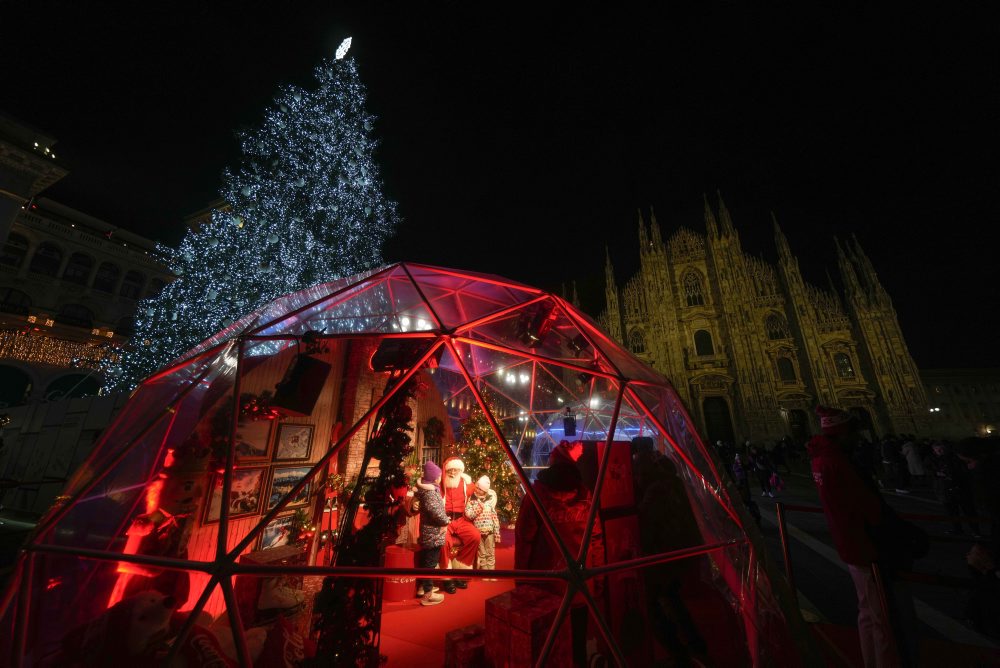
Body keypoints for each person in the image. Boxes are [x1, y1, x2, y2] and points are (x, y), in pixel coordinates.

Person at [809, 406, 923, 667]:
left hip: (851, 545)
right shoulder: (838, 462)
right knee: (885, 618)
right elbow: (869, 508)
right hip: (866, 547)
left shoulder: (821, 458)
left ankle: (872, 660)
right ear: (844, 432)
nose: (859, 437)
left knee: (868, 614)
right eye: (854, 431)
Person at [515, 440, 603, 666]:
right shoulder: (585, 495)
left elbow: (524, 539)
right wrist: (598, 577)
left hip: (546, 588)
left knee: (549, 646)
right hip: (580, 586)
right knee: (577, 642)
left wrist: (521, 580)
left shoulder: (537, 497)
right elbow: (596, 538)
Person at [441, 456, 481, 592]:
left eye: (456, 470)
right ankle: (447, 576)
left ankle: (460, 570)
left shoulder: (466, 483)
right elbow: (425, 489)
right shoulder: (440, 483)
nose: (452, 473)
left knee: (475, 536)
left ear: (461, 471)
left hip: (461, 519)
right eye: (450, 470)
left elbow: (481, 490)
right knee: (443, 541)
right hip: (444, 520)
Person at [926, 441, 980, 537]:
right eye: (938, 450)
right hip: (945, 488)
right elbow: (929, 470)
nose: (941, 451)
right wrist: (936, 473)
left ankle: (975, 531)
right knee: (952, 512)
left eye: (942, 449)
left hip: (960, 487)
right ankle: (957, 529)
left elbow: (964, 470)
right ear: (934, 450)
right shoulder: (931, 459)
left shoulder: (954, 457)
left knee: (969, 510)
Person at [414, 461, 448, 606]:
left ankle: (426, 587)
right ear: (435, 478)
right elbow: (436, 512)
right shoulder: (429, 493)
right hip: (432, 533)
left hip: (432, 533)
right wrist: (446, 520)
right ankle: (428, 594)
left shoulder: (431, 489)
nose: (441, 478)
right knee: (430, 563)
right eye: (439, 476)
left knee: (429, 562)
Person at [465, 475, 501, 578]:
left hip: (490, 532)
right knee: (482, 553)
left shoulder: (490, 501)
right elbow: (468, 514)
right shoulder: (472, 500)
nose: (476, 490)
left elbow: (494, 518)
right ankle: (485, 573)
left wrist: (497, 533)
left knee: (490, 553)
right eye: (477, 487)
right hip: (478, 532)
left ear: (484, 491)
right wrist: (478, 508)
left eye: (479, 489)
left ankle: (491, 573)